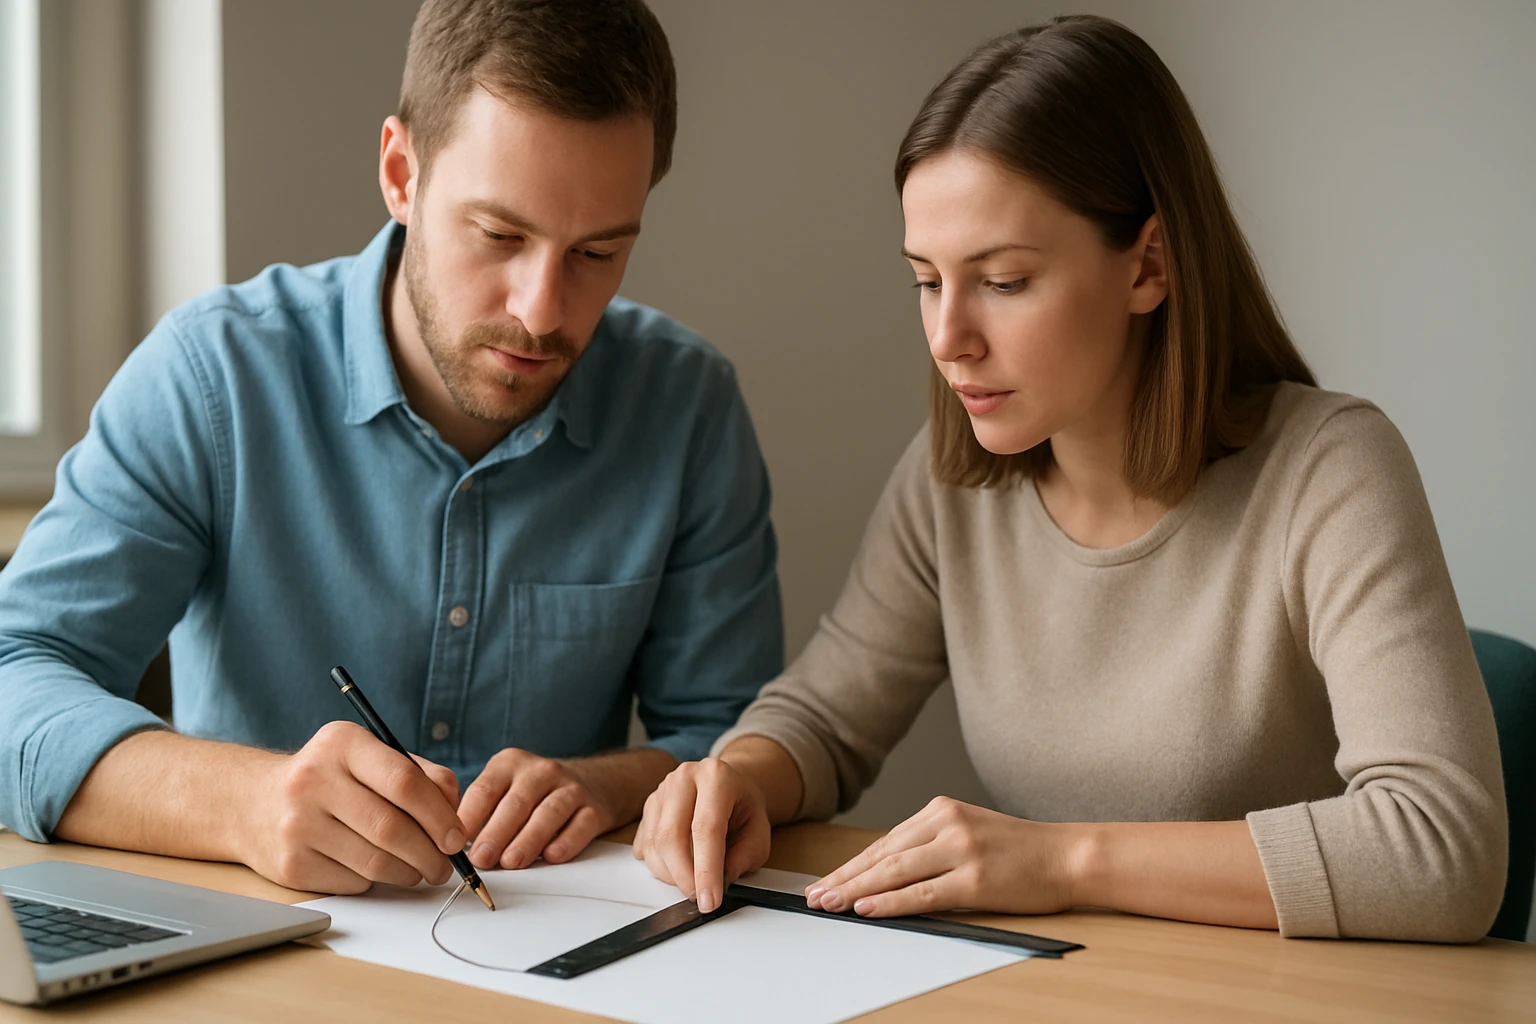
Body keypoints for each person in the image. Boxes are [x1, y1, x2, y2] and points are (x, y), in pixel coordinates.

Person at [633, 14, 1507, 942]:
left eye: (1003, 281)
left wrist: (1060, 860)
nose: (947, 337)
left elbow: (1441, 850)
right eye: (927, 280)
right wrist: (736, 778)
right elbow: (825, 715)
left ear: (1149, 265)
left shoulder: (1330, 471)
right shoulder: (951, 485)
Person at [0, 0, 783, 896]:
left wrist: (603, 786)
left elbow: (736, 743)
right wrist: (247, 802)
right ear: (401, 172)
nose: (541, 309)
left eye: (598, 253)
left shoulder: (687, 407)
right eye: (500, 235)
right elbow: (14, 676)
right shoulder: (213, 376)